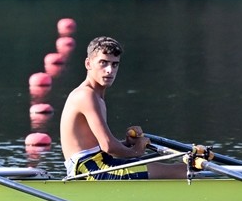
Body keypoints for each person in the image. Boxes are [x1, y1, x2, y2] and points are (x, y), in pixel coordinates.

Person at [60, 36, 187, 180]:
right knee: (181, 171)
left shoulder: (95, 95)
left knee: (178, 169)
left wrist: (127, 145)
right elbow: (108, 146)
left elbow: (101, 148)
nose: (109, 70)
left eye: (115, 64)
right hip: (89, 170)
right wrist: (136, 150)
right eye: (103, 63)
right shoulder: (86, 95)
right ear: (88, 63)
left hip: (98, 164)